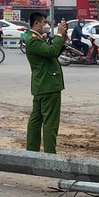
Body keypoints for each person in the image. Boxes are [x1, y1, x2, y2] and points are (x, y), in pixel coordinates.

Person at [24, 12, 67, 153]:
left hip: (41, 86)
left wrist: (63, 38)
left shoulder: (36, 38)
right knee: (50, 123)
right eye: (44, 22)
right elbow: (51, 52)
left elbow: (51, 54)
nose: (46, 25)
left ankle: (32, 152)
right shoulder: (33, 39)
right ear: (36, 24)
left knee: (36, 120)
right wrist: (59, 35)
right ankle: (49, 154)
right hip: (48, 85)